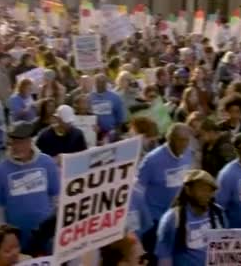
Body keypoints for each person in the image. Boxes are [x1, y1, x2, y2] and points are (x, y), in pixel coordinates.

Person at [0, 121, 60, 248]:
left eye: (19, 142)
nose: (16, 146)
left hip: (46, 235)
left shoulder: (47, 162)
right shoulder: (1, 170)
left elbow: (56, 197)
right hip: (16, 238)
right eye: (13, 142)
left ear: (29, 141)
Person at [137, 123, 193, 257]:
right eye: (180, 140)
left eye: (187, 140)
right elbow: (138, 190)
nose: (184, 144)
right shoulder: (152, 160)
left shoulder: (188, 154)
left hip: (177, 217)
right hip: (154, 219)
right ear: (170, 139)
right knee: (155, 257)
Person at [155, 170, 226, 265]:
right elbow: (164, 256)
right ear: (188, 190)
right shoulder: (172, 219)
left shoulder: (218, 213)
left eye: (210, 190)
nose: (206, 194)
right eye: (202, 189)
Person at [90, 74, 126, 138]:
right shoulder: (89, 97)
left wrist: (116, 132)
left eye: (103, 82)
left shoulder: (115, 97)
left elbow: (120, 118)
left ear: (106, 83)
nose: (100, 84)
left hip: (110, 133)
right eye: (98, 82)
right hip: (93, 132)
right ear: (94, 83)